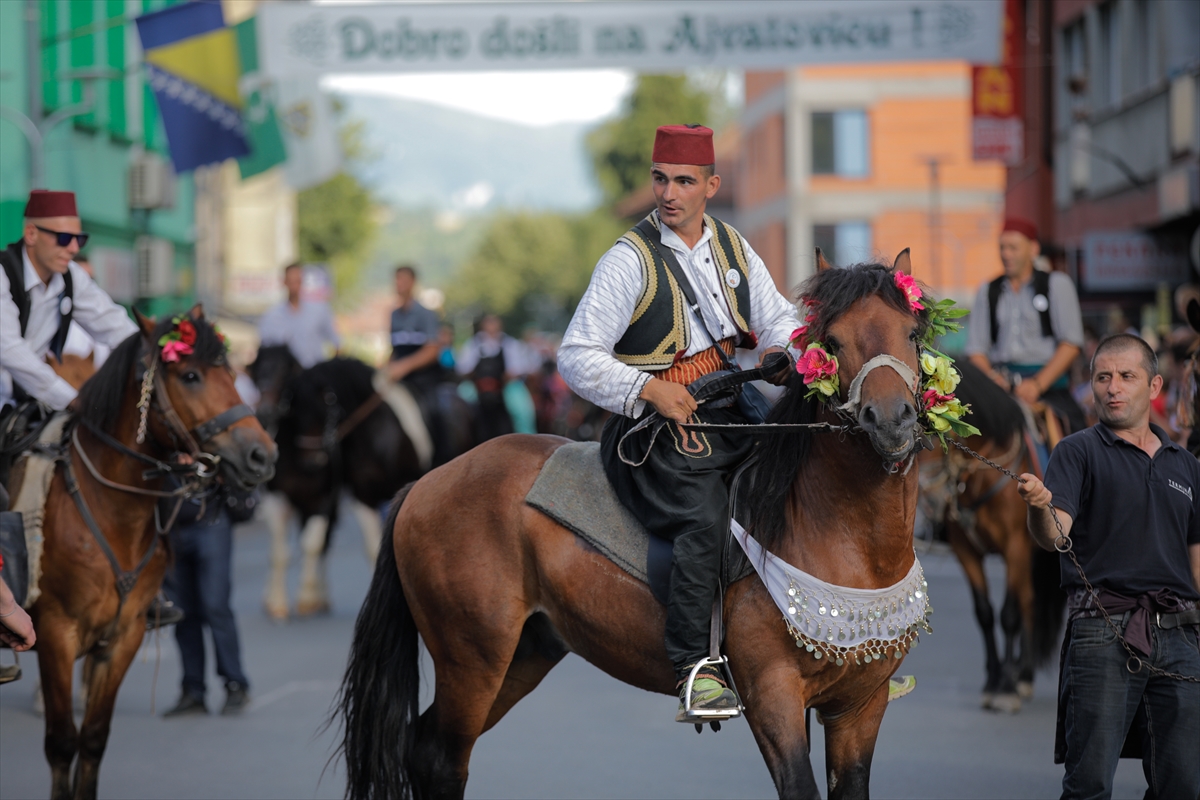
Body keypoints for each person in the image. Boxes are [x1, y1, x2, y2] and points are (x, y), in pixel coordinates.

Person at [558, 124, 796, 720]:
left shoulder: (735, 248)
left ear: (710, 185)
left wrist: (793, 351)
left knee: (799, 484)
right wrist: (648, 388)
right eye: (661, 179)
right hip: (653, 428)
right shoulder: (627, 261)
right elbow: (575, 355)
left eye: (684, 181)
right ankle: (696, 668)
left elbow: (780, 319)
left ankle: (822, 646)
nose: (669, 192)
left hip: (730, 410)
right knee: (705, 517)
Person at [1016, 334, 1200, 800]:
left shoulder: (1186, 466)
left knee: (1182, 784)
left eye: (1126, 376)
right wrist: (1040, 505)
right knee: (1090, 784)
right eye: (1103, 377)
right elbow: (1055, 533)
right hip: (1103, 630)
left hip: (1181, 637)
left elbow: (1197, 569)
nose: (1113, 387)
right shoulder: (1077, 451)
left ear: (1154, 385)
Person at [0, 190, 136, 412]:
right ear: (31, 234)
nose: (73, 248)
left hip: (26, 408)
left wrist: (162, 350)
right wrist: (70, 399)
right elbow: (8, 349)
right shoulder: (3, 274)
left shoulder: (71, 277)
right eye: (63, 238)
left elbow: (114, 325)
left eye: (80, 239)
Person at [966, 218, 1087, 434]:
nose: (1006, 254)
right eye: (1002, 247)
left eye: (1013, 248)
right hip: (1000, 386)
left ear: (1033, 249)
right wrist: (994, 380)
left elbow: (1071, 343)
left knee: (1077, 438)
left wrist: (1037, 385)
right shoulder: (987, 290)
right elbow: (976, 350)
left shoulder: (1057, 284)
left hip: (1049, 387)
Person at [161, 484, 258, 717]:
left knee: (215, 606)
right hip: (170, 527)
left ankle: (235, 684)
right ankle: (193, 690)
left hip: (211, 521)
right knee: (182, 612)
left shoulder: (208, 446)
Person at [381, 265, 440, 467]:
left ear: (413, 283)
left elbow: (432, 350)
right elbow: (395, 350)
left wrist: (404, 366)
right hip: (401, 381)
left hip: (424, 380)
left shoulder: (426, 314)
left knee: (436, 412)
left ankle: (440, 459)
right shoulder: (394, 315)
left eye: (402, 280)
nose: (398, 284)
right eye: (396, 280)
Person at [456, 314, 537, 435]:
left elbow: (519, 368)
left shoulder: (510, 343)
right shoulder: (473, 344)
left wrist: (506, 377)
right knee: (459, 404)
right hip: (477, 386)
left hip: (505, 386)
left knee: (522, 411)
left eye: (494, 323)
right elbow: (462, 368)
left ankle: (528, 438)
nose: (491, 326)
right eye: (488, 323)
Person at [257, 263, 340, 369]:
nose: (294, 286)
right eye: (291, 282)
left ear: (302, 281)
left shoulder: (319, 310)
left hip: (315, 375)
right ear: (284, 282)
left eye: (297, 281)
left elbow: (336, 342)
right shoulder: (271, 317)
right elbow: (265, 351)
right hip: (288, 378)